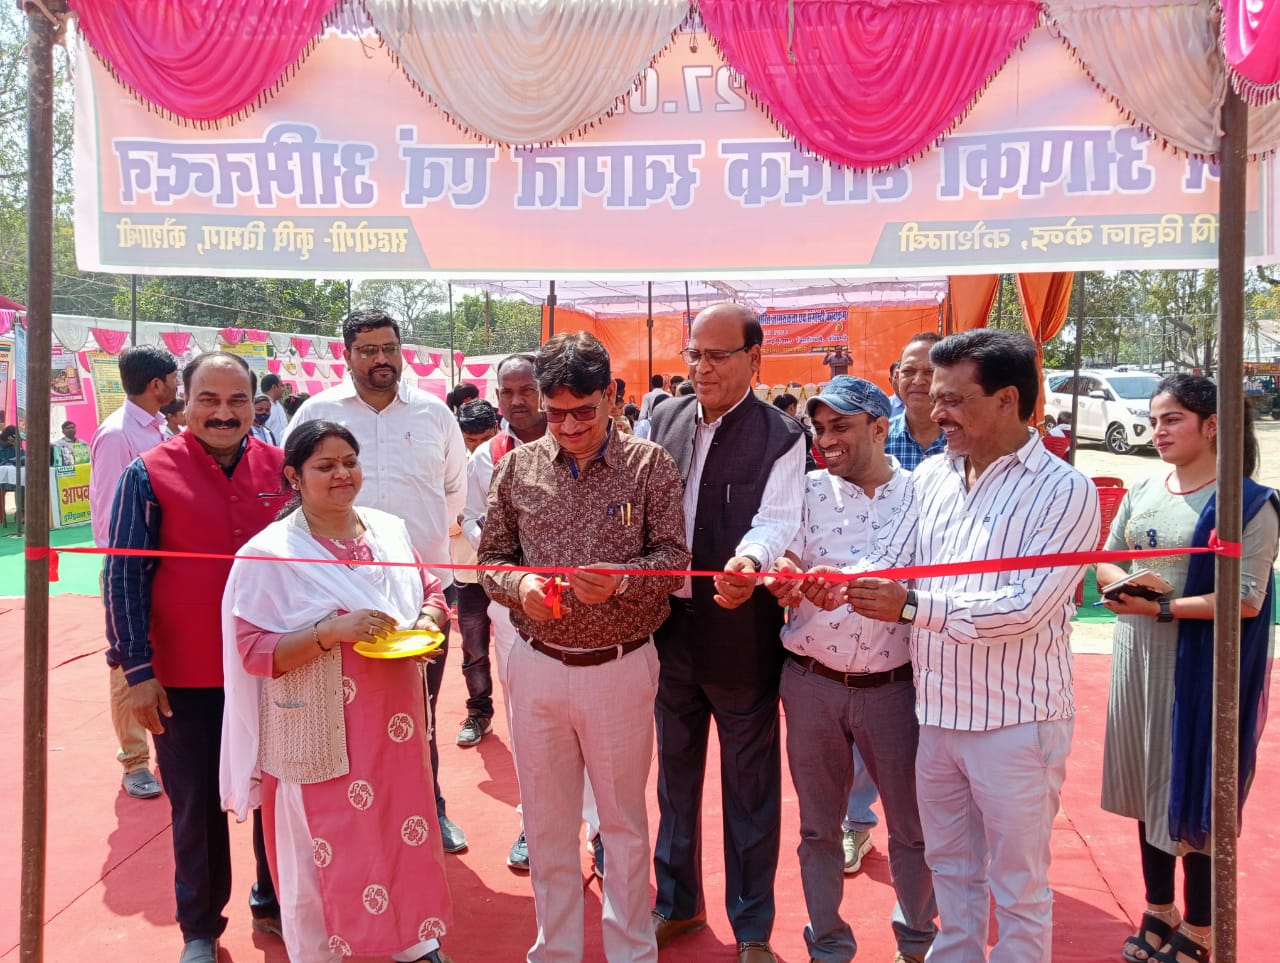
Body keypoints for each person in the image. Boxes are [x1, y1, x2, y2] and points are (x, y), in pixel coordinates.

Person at [840, 329, 1100, 963]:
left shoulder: (1065, 490)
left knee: (1019, 889)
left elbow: (1026, 607)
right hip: (938, 717)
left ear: (1008, 399)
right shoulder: (933, 476)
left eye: (953, 399)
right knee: (951, 876)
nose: (936, 413)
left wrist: (911, 606)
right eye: (934, 397)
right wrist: (827, 580)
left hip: (1016, 722)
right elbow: (891, 559)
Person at [479, 331, 689, 963]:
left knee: (622, 823)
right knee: (546, 824)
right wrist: (521, 588)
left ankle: (632, 951)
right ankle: (556, 951)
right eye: (556, 413)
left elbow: (674, 559)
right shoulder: (517, 467)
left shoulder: (649, 465)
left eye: (584, 412)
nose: (569, 426)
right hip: (537, 666)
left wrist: (623, 580)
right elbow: (491, 560)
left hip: (620, 667)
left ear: (611, 397)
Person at [221, 421, 454, 963]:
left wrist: (426, 621)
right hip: (316, 726)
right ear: (294, 477)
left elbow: (431, 590)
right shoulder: (269, 553)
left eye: (349, 461)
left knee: (400, 827)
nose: (342, 474)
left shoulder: (387, 531)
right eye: (325, 466)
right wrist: (330, 632)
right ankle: (318, 952)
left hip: (393, 723)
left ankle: (410, 939)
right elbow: (254, 650)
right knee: (319, 847)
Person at [104, 352, 285, 963]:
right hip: (185, 673)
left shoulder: (284, 469)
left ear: (255, 405)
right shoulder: (147, 474)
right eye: (209, 399)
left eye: (237, 400)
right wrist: (137, 670)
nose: (223, 413)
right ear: (184, 402)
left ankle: (276, 899)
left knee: (281, 794)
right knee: (195, 804)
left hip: (275, 667)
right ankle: (200, 927)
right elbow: (124, 576)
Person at [1096, 374, 1278, 963]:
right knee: (1147, 786)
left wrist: (1162, 606)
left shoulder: (1249, 503)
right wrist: (1121, 586)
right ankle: (1158, 909)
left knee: (1196, 791)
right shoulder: (1144, 488)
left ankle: (1199, 927)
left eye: (1171, 419)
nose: (1158, 431)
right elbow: (1108, 558)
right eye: (1154, 420)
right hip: (1137, 663)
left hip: (1198, 674)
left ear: (1213, 425)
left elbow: (1246, 598)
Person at [647, 302, 805, 963]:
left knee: (750, 786)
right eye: (694, 354)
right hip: (669, 631)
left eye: (717, 355)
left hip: (742, 633)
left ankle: (752, 926)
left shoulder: (781, 435)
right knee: (674, 779)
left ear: (754, 359)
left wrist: (750, 561)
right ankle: (677, 903)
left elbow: (778, 519)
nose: (701, 368)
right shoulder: (664, 418)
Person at [764, 376, 937, 963]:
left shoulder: (923, 494)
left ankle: (917, 941)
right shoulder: (806, 489)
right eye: (819, 428)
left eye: (840, 426)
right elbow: (784, 548)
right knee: (818, 830)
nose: (825, 439)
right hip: (811, 683)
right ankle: (828, 946)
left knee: (913, 829)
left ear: (880, 427)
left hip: (897, 689)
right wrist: (786, 576)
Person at [285, 309, 469, 854]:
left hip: (422, 596)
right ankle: (353, 824)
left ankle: (428, 808)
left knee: (419, 712)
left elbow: (454, 491)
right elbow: (295, 492)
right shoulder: (318, 412)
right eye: (367, 350)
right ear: (346, 356)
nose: (381, 359)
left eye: (389, 347)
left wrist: (405, 554)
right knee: (342, 717)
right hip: (332, 601)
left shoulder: (434, 413)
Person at [461, 353, 604, 874]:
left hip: (592, 613)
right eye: (507, 392)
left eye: (526, 390)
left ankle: (600, 829)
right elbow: (473, 523)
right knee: (529, 725)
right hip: (516, 614)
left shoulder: (588, 443)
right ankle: (535, 821)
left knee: (595, 729)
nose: (517, 401)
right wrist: (517, 569)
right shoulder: (488, 457)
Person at [90, 345, 179, 801]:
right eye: (175, 378)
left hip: (169, 562)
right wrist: (128, 573)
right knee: (128, 659)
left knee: (164, 653)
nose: (179, 386)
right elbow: (110, 515)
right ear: (157, 383)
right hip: (131, 566)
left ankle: (163, 746)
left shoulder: (161, 427)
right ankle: (134, 760)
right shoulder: (116, 434)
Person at [453, 398, 500, 748]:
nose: (478, 446)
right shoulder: (450, 467)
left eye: (485, 438)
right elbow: (439, 516)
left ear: (496, 429)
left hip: (509, 571)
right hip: (468, 571)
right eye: (471, 440)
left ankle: (531, 717)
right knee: (474, 647)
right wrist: (460, 523)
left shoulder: (509, 456)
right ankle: (479, 712)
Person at [885, 333, 945, 471]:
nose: (918, 381)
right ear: (897, 377)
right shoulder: (877, 442)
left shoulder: (967, 443)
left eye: (930, 371)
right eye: (909, 371)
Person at [259, 373, 289, 442]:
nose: (283, 389)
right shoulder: (260, 408)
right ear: (274, 387)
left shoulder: (278, 405)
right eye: (281, 385)